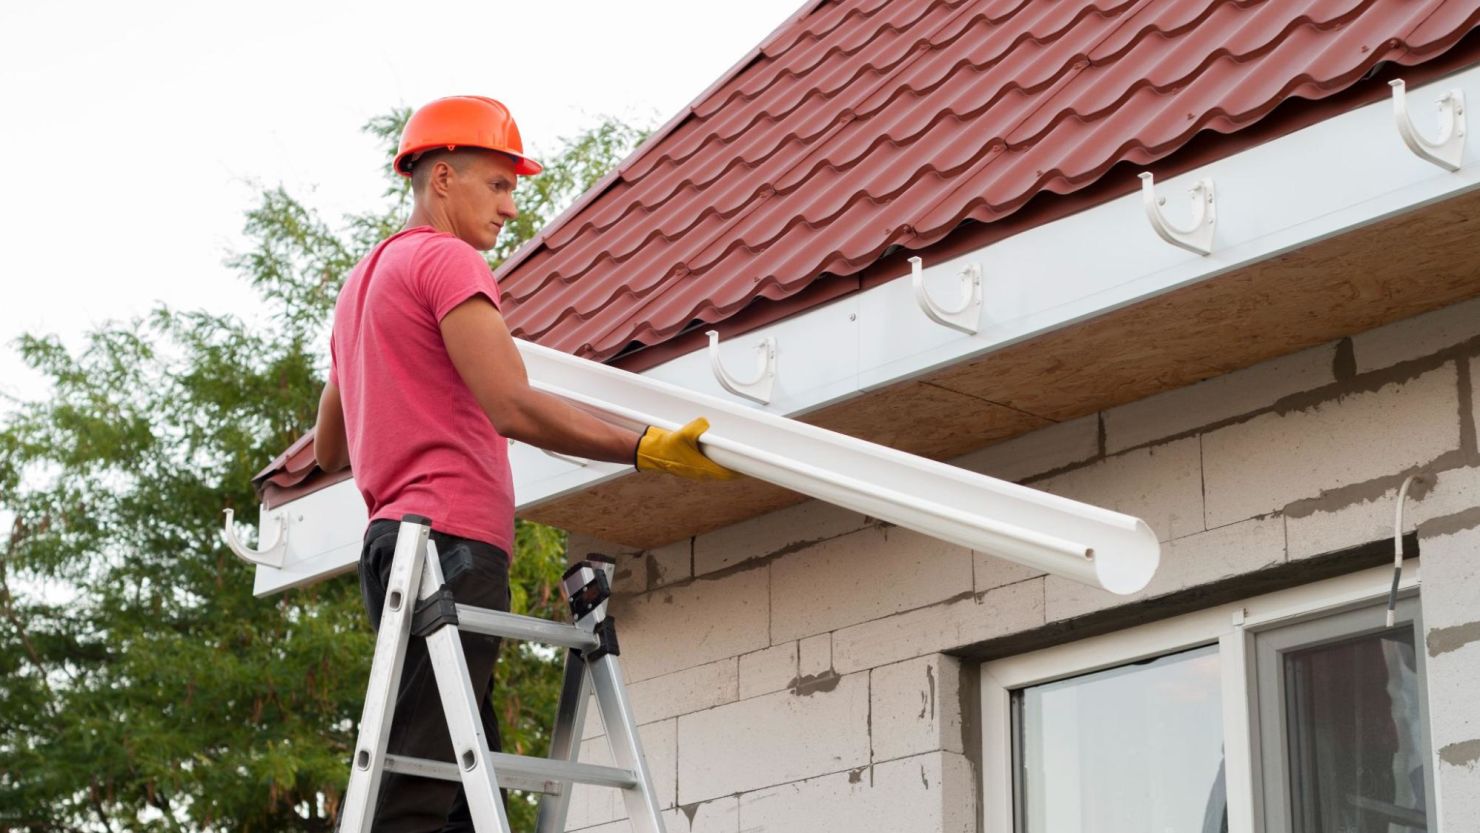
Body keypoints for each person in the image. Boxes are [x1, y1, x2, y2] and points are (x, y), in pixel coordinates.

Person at [312, 94, 735, 832]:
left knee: (460, 798)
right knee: (413, 797)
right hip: (450, 547)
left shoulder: (361, 284)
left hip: (392, 551)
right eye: (498, 185)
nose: (511, 207)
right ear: (443, 177)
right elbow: (513, 404)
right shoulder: (447, 260)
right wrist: (638, 444)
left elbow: (328, 449)